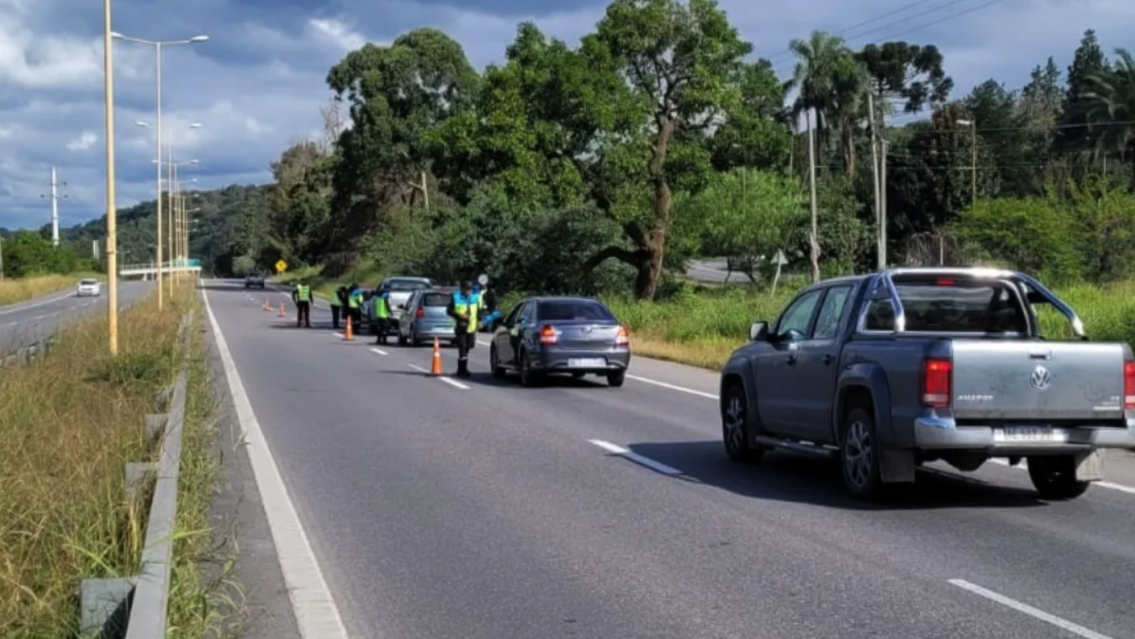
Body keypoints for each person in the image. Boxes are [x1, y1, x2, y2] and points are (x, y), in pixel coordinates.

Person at [446, 280, 481, 377]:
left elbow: (478, 311)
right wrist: (459, 316)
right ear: (462, 289)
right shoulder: (456, 297)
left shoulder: (474, 298)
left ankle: (462, 367)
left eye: (470, 289)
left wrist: (479, 320)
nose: (468, 291)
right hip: (460, 327)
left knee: (469, 346)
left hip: (471, 327)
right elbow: (449, 311)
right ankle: (461, 369)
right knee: (462, 348)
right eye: (467, 289)